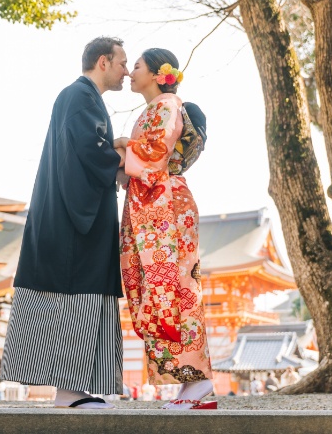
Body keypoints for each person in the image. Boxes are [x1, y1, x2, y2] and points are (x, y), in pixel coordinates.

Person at [0, 37, 129, 410]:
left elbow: (92, 147)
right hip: (74, 220)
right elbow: (91, 151)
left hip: (76, 213)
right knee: (76, 298)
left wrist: (115, 148)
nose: (125, 70)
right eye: (122, 62)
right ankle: (69, 393)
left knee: (87, 298)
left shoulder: (83, 98)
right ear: (103, 62)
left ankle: (77, 390)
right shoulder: (79, 97)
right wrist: (121, 156)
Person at [119, 48, 214, 410]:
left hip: (165, 207)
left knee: (175, 289)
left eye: (137, 66)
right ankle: (189, 382)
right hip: (151, 204)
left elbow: (155, 152)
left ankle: (198, 383)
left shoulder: (167, 105)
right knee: (153, 292)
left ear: (158, 74)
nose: (130, 72)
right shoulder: (156, 108)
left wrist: (121, 144)